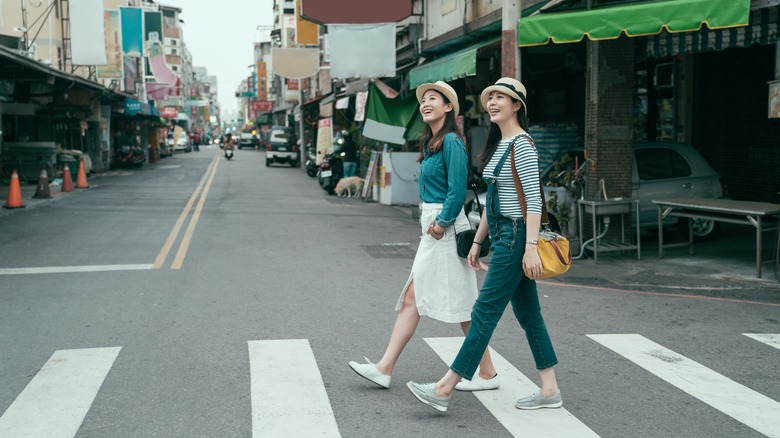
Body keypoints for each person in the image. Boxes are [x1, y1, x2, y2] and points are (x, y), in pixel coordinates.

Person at [406, 77, 562, 412]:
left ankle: (445, 387)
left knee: (484, 312)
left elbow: (532, 201)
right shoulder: (501, 143)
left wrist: (530, 247)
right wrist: (478, 239)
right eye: (489, 97)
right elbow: (494, 199)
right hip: (503, 233)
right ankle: (549, 388)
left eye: (500, 98)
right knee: (529, 314)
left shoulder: (522, 144)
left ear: (517, 105)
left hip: (518, 236)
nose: (491, 103)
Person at [349, 81, 498, 392]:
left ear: (448, 107)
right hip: (433, 226)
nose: (425, 103)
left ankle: (385, 368)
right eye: (423, 100)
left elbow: (456, 192)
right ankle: (485, 372)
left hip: (442, 227)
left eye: (433, 99)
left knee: (428, 301)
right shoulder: (431, 143)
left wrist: (440, 224)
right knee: (450, 302)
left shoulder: (452, 143)